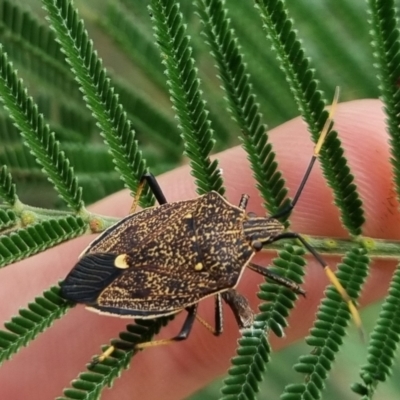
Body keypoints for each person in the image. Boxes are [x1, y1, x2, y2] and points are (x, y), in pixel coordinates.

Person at [1, 99, 398, 400]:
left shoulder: (214, 214)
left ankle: (127, 250)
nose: (270, 233)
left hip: (133, 240)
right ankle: (118, 348)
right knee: (185, 335)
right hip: (137, 268)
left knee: (148, 182)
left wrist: (135, 224)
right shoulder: (227, 273)